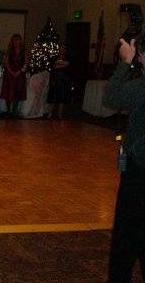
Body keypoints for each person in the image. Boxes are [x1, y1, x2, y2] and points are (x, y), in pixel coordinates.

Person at [106, 36, 145, 283]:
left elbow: (113, 96)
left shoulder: (141, 88)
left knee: (126, 239)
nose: (140, 58)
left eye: (141, 54)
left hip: (139, 172)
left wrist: (125, 62)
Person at [0, 34, 26, 117]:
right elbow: (6, 63)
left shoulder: (23, 51)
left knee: (17, 93)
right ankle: (8, 111)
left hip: (20, 75)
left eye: (18, 40)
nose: (16, 42)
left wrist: (19, 72)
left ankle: (14, 111)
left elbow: (26, 63)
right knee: (8, 93)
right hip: (9, 75)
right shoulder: (9, 51)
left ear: (20, 41)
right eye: (14, 40)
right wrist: (11, 72)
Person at [47, 44, 72, 119]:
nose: (62, 50)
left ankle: (59, 114)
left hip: (64, 80)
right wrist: (62, 64)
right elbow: (53, 66)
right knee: (53, 98)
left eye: (64, 48)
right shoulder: (54, 57)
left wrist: (58, 64)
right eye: (61, 48)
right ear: (59, 49)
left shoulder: (68, 58)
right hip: (55, 80)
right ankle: (50, 113)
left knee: (62, 98)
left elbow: (67, 64)